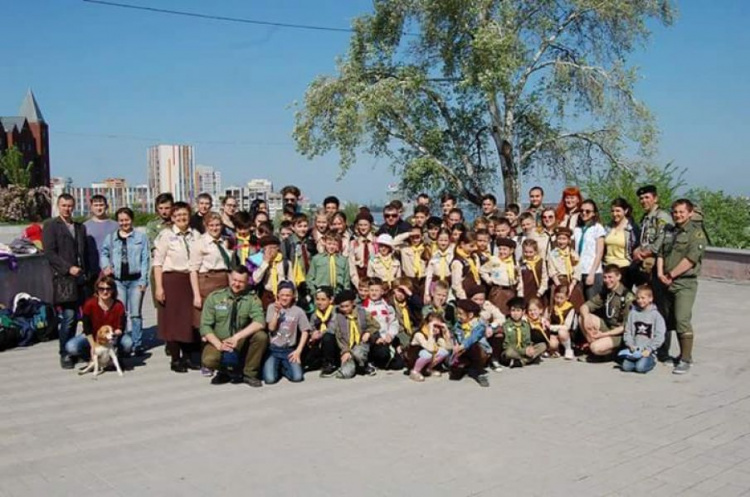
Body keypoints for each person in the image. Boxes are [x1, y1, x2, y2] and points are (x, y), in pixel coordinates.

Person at [657, 199, 707, 375]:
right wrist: (660, 273)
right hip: (665, 281)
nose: (678, 215)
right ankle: (670, 353)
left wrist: (671, 275)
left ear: (690, 213)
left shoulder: (696, 234)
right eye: (675, 212)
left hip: (684, 283)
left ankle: (685, 358)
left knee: (682, 318)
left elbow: (691, 259)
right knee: (669, 318)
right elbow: (661, 253)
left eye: (681, 212)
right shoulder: (669, 230)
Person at [199, 265, 269, 387]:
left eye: (241, 282)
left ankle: (249, 373)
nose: (236, 284)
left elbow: (260, 322)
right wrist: (219, 345)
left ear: (247, 282)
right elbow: (205, 326)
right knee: (209, 360)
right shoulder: (215, 298)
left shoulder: (251, 299)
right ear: (230, 278)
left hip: (240, 340)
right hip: (219, 340)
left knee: (261, 336)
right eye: (234, 280)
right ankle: (225, 372)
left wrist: (236, 337)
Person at [43, 193, 91, 369]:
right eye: (64, 205)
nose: (67, 209)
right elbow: (49, 253)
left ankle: (78, 349)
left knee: (84, 316)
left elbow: (84, 252)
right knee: (69, 317)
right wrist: (68, 268)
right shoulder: (51, 226)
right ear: (58, 206)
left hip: (81, 278)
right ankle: (65, 353)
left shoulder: (80, 227)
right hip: (64, 279)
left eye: (70, 205)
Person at [153, 201, 200, 373]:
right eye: (178, 215)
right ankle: (175, 359)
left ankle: (188, 358)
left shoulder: (195, 234)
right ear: (172, 218)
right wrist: (159, 287)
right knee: (172, 321)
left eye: (184, 215)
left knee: (188, 321)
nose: (181, 218)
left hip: (189, 280)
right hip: (171, 280)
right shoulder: (166, 235)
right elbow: (157, 263)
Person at [100, 207, 150, 356]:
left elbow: (145, 260)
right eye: (121, 220)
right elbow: (104, 253)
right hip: (118, 281)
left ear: (132, 220)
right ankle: (121, 342)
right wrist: (106, 266)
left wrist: (143, 280)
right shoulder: (110, 238)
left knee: (135, 314)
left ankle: (137, 344)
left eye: (127, 220)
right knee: (121, 312)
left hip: (135, 281)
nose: (124, 223)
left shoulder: (141, 238)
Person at [64, 275, 130, 361]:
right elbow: (87, 328)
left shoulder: (118, 305)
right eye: (101, 289)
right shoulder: (89, 304)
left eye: (108, 289)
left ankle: (114, 356)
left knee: (128, 343)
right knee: (71, 347)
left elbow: (121, 327)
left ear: (113, 290)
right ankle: (89, 355)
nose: (105, 292)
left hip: (112, 337)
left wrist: (113, 335)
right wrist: (93, 346)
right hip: (92, 335)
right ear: (97, 290)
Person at [579, 264, 635, 359]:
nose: (607, 280)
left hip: (620, 334)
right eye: (605, 277)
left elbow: (625, 327)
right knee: (582, 318)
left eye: (610, 277)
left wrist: (603, 335)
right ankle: (597, 349)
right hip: (608, 327)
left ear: (619, 277)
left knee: (595, 347)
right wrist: (586, 318)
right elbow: (584, 306)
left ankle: (614, 352)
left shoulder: (627, 297)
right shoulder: (606, 292)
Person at [189, 212, 232, 329]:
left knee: (222, 318)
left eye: (217, 225)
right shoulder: (199, 243)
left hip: (224, 282)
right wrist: (196, 295)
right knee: (206, 320)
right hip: (207, 282)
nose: (215, 228)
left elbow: (229, 265)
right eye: (211, 225)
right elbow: (193, 271)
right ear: (205, 226)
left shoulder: (226, 241)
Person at [263, 282, 311, 384]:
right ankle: (276, 367)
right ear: (278, 295)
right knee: (270, 379)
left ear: (293, 296)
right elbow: (271, 328)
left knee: (297, 377)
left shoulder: (298, 311)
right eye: (282, 295)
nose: (285, 298)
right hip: (274, 349)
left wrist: (298, 350)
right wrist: (276, 313)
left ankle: (284, 368)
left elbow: (305, 331)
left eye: (288, 295)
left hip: (289, 349)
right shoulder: (272, 307)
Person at [329, 290, 379, 379]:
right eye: (342, 307)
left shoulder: (362, 312)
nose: (344, 309)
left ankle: (366, 365)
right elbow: (338, 338)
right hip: (347, 347)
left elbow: (376, 325)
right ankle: (356, 365)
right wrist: (345, 351)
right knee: (345, 374)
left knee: (358, 353)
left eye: (347, 306)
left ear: (353, 304)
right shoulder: (337, 317)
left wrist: (368, 332)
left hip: (361, 345)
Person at [633, 184, 673, 290]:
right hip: (644, 264)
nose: (643, 201)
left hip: (657, 265)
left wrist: (645, 253)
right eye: (641, 198)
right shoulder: (646, 218)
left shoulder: (662, 217)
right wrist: (637, 250)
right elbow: (643, 240)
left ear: (655, 199)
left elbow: (661, 241)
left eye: (647, 197)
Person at [620, 285, 666, 374]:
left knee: (640, 368)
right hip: (634, 349)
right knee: (625, 366)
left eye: (643, 298)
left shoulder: (656, 316)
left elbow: (660, 336)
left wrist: (649, 349)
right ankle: (637, 362)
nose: (640, 301)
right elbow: (628, 331)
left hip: (648, 351)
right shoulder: (633, 314)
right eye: (638, 298)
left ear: (650, 299)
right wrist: (630, 345)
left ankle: (651, 361)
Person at [362, 278, 401, 370]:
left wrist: (391, 335)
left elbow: (393, 322)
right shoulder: (364, 307)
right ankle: (372, 361)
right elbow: (364, 327)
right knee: (382, 353)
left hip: (386, 338)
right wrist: (375, 338)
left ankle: (385, 360)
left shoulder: (387, 306)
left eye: (376, 290)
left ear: (382, 292)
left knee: (399, 365)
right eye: (371, 290)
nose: (374, 293)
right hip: (373, 341)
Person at [449, 299, 490, 387]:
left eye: (460, 313)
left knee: (473, 346)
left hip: (479, 352)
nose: (458, 316)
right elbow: (454, 335)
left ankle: (480, 373)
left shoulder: (479, 325)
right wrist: (455, 344)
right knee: (455, 375)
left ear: (470, 315)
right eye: (457, 313)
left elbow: (473, 338)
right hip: (464, 351)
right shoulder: (458, 324)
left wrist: (462, 346)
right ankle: (467, 365)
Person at [573, 200, 606, 300]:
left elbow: (599, 252)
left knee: (592, 304)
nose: (584, 213)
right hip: (578, 271)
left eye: (587, 211)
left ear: (593, 213)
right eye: (582, 210)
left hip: (592, 271)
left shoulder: (598, 228)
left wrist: (592, 273)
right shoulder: (577, 229)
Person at [500, 297, 546, 368]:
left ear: (523, 312)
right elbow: (506, 346)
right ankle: (526, 360)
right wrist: (524, 351)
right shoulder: (505, 325)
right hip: (512, 352)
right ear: (509, 311)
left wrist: (530, 348)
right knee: (509, 352)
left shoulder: (526, 325)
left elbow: (528, 341)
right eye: (513, 310)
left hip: (524, 351)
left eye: (518, 311)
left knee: (542, 345)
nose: (515, 313)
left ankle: (520, 361)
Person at [604, 198, 639, 286]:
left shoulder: (632, 229)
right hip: (607, 267)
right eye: (612, 211)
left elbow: (637, 247)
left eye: (618, 211)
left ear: (626, 211)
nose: (615, 214)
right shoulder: (607, 227)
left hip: (624, 269)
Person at [547, 227, 584, 309]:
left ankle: (576, 316)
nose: (561, 241)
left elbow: (577, 270)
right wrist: (559, 286)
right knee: (558, 296)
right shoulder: (552, 254)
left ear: (568, 241)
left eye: (564, 239)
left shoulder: (573, 253)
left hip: (571, 281)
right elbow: (552, 271)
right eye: (559, 238)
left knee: (576, 294)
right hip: (559, 281)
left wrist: (571, 286)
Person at [408, 313, 452, 382]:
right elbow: (430, 348)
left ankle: (428, 369)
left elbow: (448, 348)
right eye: (434, 326)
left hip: (428, 357)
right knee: (427, 354)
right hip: (414, 359)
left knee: (444, 352)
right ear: (427, 324)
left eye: (438, 326)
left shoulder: (437, 336)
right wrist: (431, 332)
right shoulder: (419, 334)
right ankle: (415, 371)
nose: (436, 329)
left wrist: (446, 332)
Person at [252, 235, 292, 310]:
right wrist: (266, 263)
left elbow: (292, 282)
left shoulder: (285, 263)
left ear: (278, 248)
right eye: (267, 248)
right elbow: (255, 280)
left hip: (283, 296)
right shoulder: (260, 262)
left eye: (273, 247)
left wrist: (294, 298)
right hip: (267, 296)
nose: (270, 251)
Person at [480, 237, 518, 315]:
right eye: (500, 249)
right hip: (497, 290)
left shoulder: (514, 262)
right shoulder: (494, 260)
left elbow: (518, 276)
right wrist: (488, 280)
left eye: (504, 249)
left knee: (508, 312)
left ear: (511, 251)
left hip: (510, 291)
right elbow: (482, 270)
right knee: (496, 312)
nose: (501, 252)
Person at [84, 194, 118, 278]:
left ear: (106, 206)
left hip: (113, 270)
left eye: (101, 205)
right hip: (92, 270)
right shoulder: (84, 227)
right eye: (96, 205)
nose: (99, 208)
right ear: (91, 207)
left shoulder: (116, 226)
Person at [305, 286, 338, 375]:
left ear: (331, 300)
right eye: (317, 299)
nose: (319, 302)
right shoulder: (314, 315)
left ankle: (330, 363)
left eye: (323, 299)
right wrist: (312, 334)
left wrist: (320, 334)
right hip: (319, 342)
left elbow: (333, 328)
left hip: (335, 342)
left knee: (328, 337)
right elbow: (311, 327)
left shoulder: (336, 311)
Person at [307, 231, 351, 296]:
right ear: (325, 243)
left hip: (338, 293)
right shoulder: (316, 259)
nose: (331, 247)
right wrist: (314, 292)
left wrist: (345, 294)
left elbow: (346, 280)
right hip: (321, 293)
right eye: (329, 244)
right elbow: (310, 278)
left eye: (334, 244)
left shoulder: (343, 260)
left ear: (338, 245)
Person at [423, 228, 453, 303]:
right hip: (436, 285)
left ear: (449, 241)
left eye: (446, 241)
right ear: (437, 241)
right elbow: (429, 275)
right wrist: (426, 293)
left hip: (450, 285)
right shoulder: (434, 255)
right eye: (441, 240)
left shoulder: (453, 255)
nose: (443, 243)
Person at [348, 211, 376, 289]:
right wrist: (358, 285)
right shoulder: (353, 243)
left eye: (365, 225)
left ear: (370, 225)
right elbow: (351, 265)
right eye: (360, 225)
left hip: (373, 281)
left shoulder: (376, 242)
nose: (363, 227)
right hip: (358, 280)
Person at [548, 285, 577, 360]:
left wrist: (552, 327)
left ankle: (568, 349)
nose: (558, 300)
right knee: (552, 344)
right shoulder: (552, 307)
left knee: (562, 332)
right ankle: (556, 350)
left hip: (567, 333)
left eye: (561, 298)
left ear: (567, 297)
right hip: (554, 333)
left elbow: (567, 326)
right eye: (557, 297)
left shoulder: (570, 308)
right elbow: (547, 318)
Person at [451, 232, 482, 300]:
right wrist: (464, 298)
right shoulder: (458, 262)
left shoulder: (475, 257)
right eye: (471, 246)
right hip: (464, 296)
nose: (475, 248)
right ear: (462, 244)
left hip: (475, 294)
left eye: (475, 245)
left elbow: (478, 274)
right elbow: (456, 284)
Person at [400, 224, 429, 296]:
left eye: (417, 237)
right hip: (410, 279)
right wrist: (409, 234)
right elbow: (393, 243)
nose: (415, 239)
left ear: (422, 237)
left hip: (423, 279)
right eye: (413, 237)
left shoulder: (426, 248)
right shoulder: (404, 248)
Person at [518, 239, 548, 303]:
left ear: (536, 251)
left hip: (538, 292)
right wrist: (520, 294)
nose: (528, 254)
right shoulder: (521, 263)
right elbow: (519, 279)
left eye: (531, 252)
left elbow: (544, 278)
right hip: (525, 292)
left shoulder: (541, 262)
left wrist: (540, 292)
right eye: (526, 252)